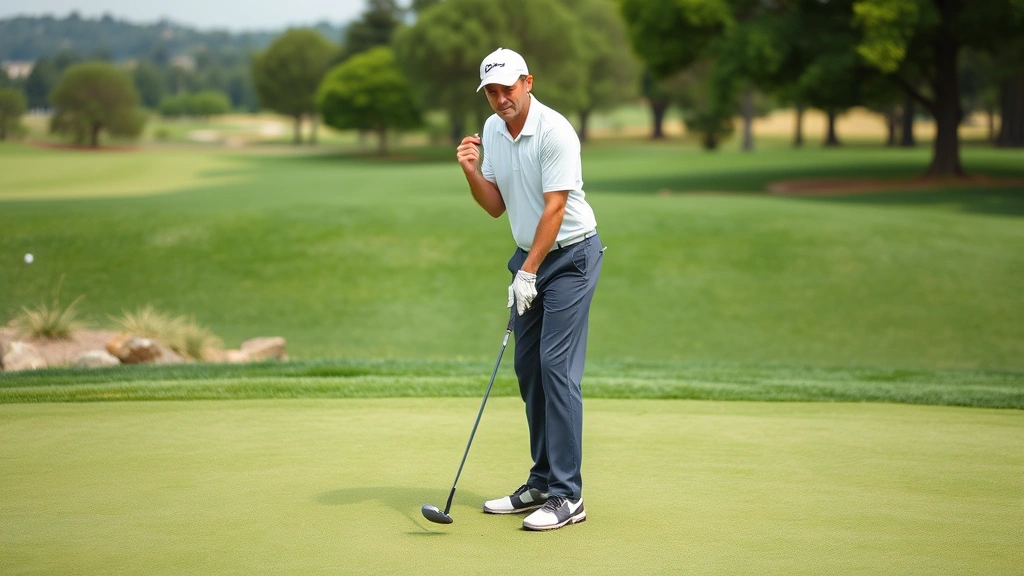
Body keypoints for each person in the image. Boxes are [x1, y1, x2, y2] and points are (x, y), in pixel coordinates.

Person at [455, 47, 603, 532]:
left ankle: (567, 495)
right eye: (492, 91)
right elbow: (496, 206)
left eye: (507, 88)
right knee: (528, 368)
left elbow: (554, 209)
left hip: (571, 257)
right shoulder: (494, 130)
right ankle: (541, 483)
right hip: (532, 257)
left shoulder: (556, 131)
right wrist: (472, 172)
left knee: (554, 365)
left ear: (528, 82)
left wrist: (528, 272)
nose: (500, 99)